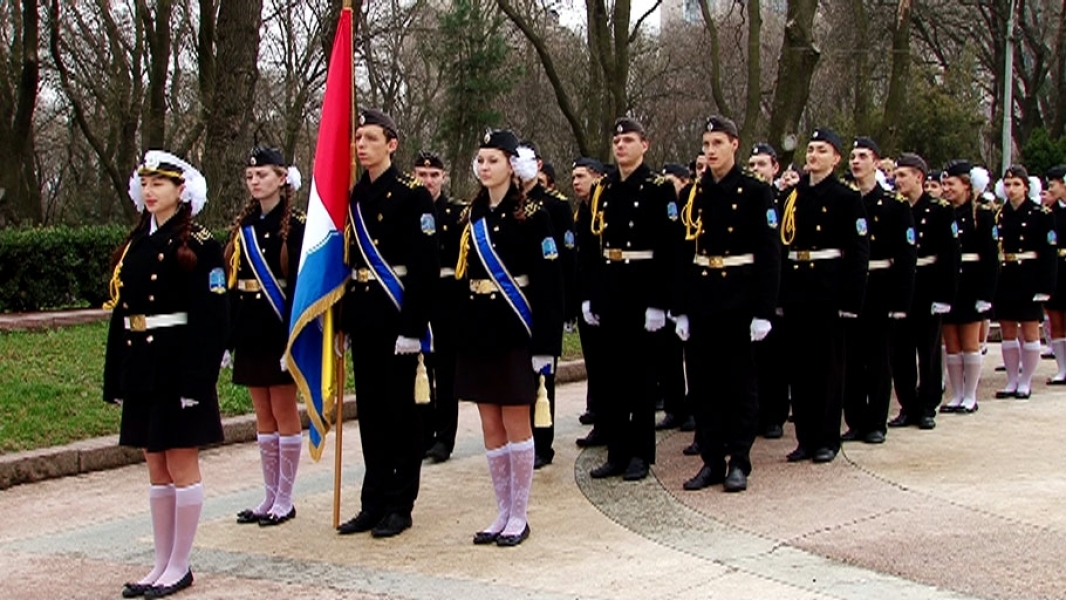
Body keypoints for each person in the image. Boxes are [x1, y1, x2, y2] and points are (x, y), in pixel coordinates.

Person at [103, 151, 227, 599]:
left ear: (182, 190)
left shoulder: (200, 243)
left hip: (178, 368)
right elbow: (124, 313)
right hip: (143, 367)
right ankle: (161, 562)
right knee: (155, 464)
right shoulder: (136, 243)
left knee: (180, 462)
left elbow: (212, 318)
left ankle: (180, 564)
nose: (151, 191)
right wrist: (115, 376)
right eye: (147, 183)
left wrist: (199, 381)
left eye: (161, 184)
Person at [455, 129, 563, 546]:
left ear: (511, 167)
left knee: (517, 422)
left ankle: (520, 514)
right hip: (479, 332)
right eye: (480, 160)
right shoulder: (473, 215)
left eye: (493, 160)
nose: (484, 167)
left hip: (517, 331)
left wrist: (546, 347)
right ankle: (500, 511)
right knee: (489, 424)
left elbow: (550, 286)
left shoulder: (535, 215)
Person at [335, 109, 439, 539]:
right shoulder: (354, 196)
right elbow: (347, 264)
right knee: (373, 416)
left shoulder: (414, 196)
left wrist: (413, 328)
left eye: (371, 138)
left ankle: (401, 503)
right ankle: (371, 501)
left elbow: (424, 267)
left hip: (398, 320)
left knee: (403, 417)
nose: (361, 145)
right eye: (358, 138)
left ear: (391, 145)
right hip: (363, 319)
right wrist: (342, 322)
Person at [672, 116, 780, 492]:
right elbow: (685, 252)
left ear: (735, 144)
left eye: (718, 143)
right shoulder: (696, 192)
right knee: (704, 385)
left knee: (739, 385)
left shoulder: (754, 191)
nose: (711, 151)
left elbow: (769, 254)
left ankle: (740, 460)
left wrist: (764, 311)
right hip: (703, 298)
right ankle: (712, 460)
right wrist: (680, 306)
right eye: (706, 144)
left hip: (739, 297)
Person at [581, 117, 680, 481]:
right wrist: (590, 295)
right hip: (611, 286)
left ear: (645, 145)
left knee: (640, 379)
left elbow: (669, 250)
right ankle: (617, 452)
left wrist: (659, 302)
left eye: (628, 140)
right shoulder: (604, 188)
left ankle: (640, 453)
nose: (620, 145)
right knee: (611, 378)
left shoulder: (658, 188)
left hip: (642, 288)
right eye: (617, 139)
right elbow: (594, 246)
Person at [225, 147, 306, 527]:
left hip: (280, 327)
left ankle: (285, 498)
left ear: (282, 179)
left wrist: (296, 334)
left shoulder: (299, 225)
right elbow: (231, 282)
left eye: (263, 175)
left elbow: (302, 286)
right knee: (262, 413)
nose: (255, 182)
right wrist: (228, 336)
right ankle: (269, 494)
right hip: (250, 327)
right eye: (250, 176)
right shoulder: (244, 227)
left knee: (283, 410)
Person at [778, 129, 869, 464]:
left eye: (821, 150)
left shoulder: (846, 197)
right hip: (797, 287)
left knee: (828, 367)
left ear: (836, 158)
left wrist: (851, 300)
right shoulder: (792, 195)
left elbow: (859, 252)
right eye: (811, 149)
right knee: (800, 368)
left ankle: (827, 438)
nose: (813, 155)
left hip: (829, 287)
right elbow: (781, 246)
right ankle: (805, 437)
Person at [841, 138, 916, 444]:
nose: (856, 162)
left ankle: (876, 422)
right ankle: (855, 420)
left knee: (878, 358)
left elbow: (906, 256)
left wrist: (901, 299)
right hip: (851, 288)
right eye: (852, 157)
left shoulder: (894, 205)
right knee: (852, 359)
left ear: (876, 162)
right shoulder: (845, 200)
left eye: (862, 156)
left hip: (881, 287)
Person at [888, 154, 959, 429]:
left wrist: (945, 297)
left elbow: (950, 257)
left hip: (928, 284)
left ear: (919, 176)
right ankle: (907, 405)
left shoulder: (940, 209)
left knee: (928, 350)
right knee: (901, 351)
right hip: (902, 285)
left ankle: (928, 405)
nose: (898, 180)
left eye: (903, 175)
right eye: (896, 175)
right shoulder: (894, 207)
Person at [517, 140, 575, 469]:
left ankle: (543, 444)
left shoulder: (555, 206)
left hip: (546, 301)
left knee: (542, 380)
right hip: (516, 305)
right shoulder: (509, 204)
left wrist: (564, 310)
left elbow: (564, 259)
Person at [413, 151, 464, 464]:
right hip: (418, 301)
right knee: (419, 371)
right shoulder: (407, 210)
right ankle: (423, 434)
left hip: (448, 303)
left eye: (433, 176)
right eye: (422, 175)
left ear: (443, 178)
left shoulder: (458, 214)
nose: (428, 181)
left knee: (446, 373)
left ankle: (445, 438)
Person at [994, 165, 1058, 399]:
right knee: (1007, 329)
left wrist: (1046, 287)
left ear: (1026, 187)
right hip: (1007, 276)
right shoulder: (1000, 214)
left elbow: (1048, 254)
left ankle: (1026, 381)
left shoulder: (1041, 214)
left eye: (1016, 185)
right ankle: (1012, 379)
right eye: (1008, 185)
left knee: (1030, 330)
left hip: (1029, 276)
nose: (1011, 190)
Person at [938, 161, 997, 413]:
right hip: (951, 284)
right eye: (944, 184)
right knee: (951, 343)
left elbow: (991, 258)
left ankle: (970, 395)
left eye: (951, 184)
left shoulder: (982, 215)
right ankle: (957, 394)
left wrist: (986, 294)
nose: (946, 189)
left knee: (969, 342)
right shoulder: (943, 212)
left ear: (966, 185)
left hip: (973, 282)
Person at [748, 142, 790, 439]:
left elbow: (781, 251)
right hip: (747, 288)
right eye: (752, 165)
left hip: (776, 289)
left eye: (762, 165)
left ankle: (775, 415)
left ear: (775, 168)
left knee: (775, 358)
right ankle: (755, 413)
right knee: (751, 359)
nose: (756, 170)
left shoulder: (785, 199)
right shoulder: (746, 197)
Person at [571, 157, 609, 447]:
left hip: (603, 296)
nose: (575, 182)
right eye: (573, 177)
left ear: (596, 177)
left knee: (606, 365)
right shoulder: (582, 211)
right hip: (586, 295)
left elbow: (599, 261)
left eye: (581, 176)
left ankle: (609, 423)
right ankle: (600, 419)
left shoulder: (602, 209)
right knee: (595, 365)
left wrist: (594, 297)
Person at [655, 162, 694, 433]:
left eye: (672, 182)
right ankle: (674, 406)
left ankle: (693, 409)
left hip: (690, 290)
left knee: (692, 357)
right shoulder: (663, 209)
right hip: (667, 290)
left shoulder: (691, 207)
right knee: (668, 357)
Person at [1043, 166, 1066, 384]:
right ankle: (1062, 367)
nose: (1050, 189)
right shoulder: (1051, 213)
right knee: (1056, 319)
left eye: (1053, 185)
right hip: (1058, 267)